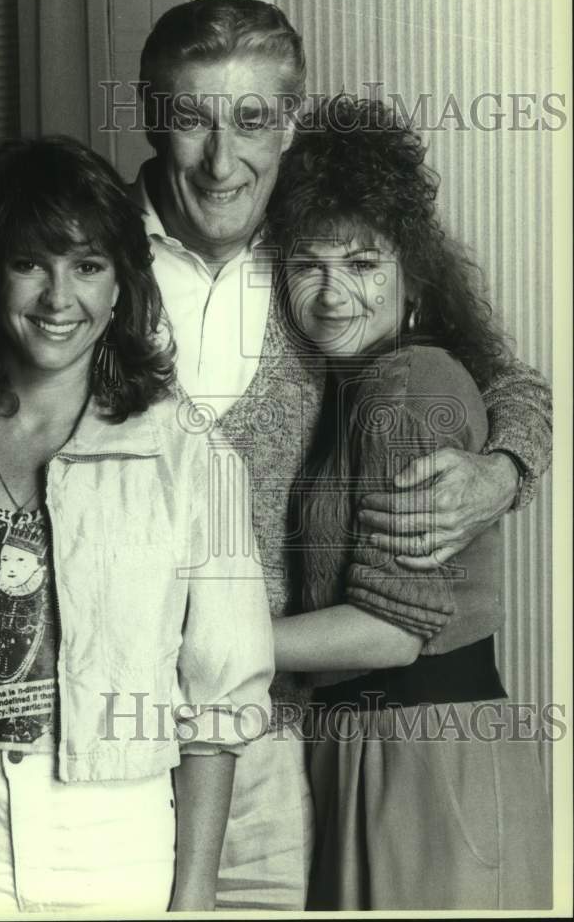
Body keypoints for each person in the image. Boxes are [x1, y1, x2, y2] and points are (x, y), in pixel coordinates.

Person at [131, 0, 553, 909]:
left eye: (251, 121)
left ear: (286, 122)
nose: (221, 159)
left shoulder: (316, 237)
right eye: (192, 120)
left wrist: (503, 468)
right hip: (114, 703)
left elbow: (495, 378)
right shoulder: (91, 255)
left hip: (284, 733)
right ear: (152, 115)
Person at [0, 136, 274, 914]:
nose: (57, 298)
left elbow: (219, 698)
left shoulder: (186, 453)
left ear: (120, 287)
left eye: (88, 266)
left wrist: (195, 895)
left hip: (119, 828)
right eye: (29, 262)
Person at [267, 96, 552, 910]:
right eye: (306, 264)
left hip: (422, 757)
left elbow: (391, 632)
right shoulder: (353, 384)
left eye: (362, 264)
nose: (330, 294)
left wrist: (204, 644)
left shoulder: (405, 384)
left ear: (410, 275)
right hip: (371, 750)